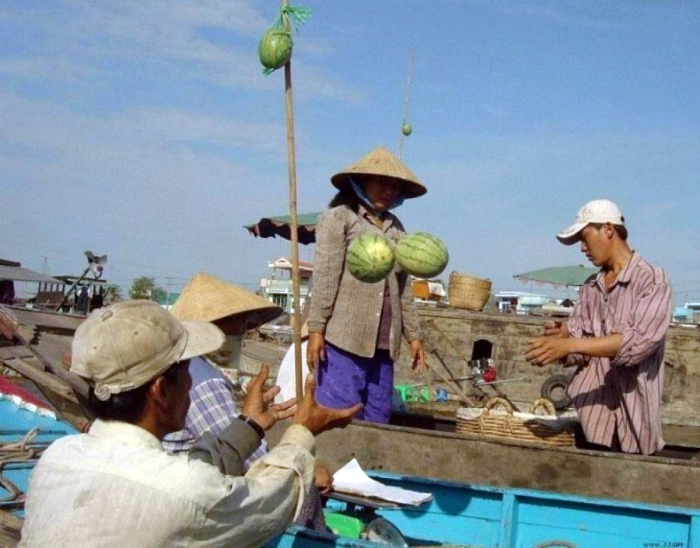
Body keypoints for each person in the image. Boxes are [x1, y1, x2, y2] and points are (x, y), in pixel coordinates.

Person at [20, 300, 361, 547]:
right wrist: (301, 432)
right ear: (161, 389)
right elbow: (274, 499)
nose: (191, 384)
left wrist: (250, 424)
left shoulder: (57, 457)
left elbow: (189, 475)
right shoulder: (185, 488)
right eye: (186, 373)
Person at [525, 199, 672, 455]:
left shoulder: (653, 280)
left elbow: (638, 344)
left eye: (585, 238)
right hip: (594, 419)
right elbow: (582, 348)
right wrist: (563, 340)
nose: (583, 248)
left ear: (608, 229)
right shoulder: (591, 287)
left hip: (635, 419)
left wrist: (572, 343)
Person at [307, 146, 426, 424]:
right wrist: (316, 330)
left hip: (384, 346)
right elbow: (326, 276)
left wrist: (414, 336)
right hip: (344, 339)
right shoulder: (340, 218)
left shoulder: (397, 229)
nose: (388, 190)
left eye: (394, 186)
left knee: (377, 420)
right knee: (338, 419)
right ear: (361, 182)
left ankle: (368, 470)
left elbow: (404, 288)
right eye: (382, 182)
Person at [162, 272, 283, 469]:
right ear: (206, 329)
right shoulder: (203, 380)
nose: (243, 329)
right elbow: (247, 458)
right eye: (234, 320)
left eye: (245, 320)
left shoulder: (189, 366)